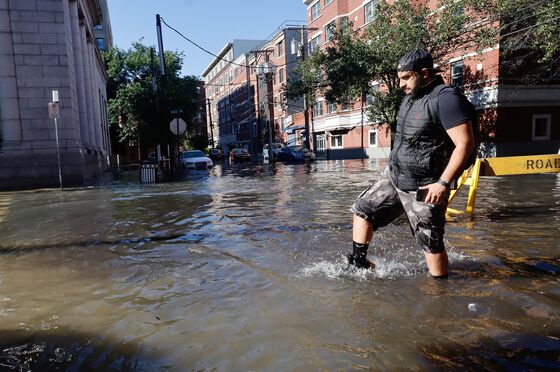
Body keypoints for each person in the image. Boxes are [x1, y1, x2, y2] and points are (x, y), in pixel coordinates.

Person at [347, 49, 475, 279]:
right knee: (362, 210)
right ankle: (358, 264)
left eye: (406, 78)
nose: (401, 84)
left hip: (425, 186)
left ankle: (440, 292)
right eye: (399, 78)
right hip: (395, 177)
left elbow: (464, 144)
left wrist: (443, 183)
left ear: (424, 73)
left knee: (430, 243)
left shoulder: (446, 99)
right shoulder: (410, 98)